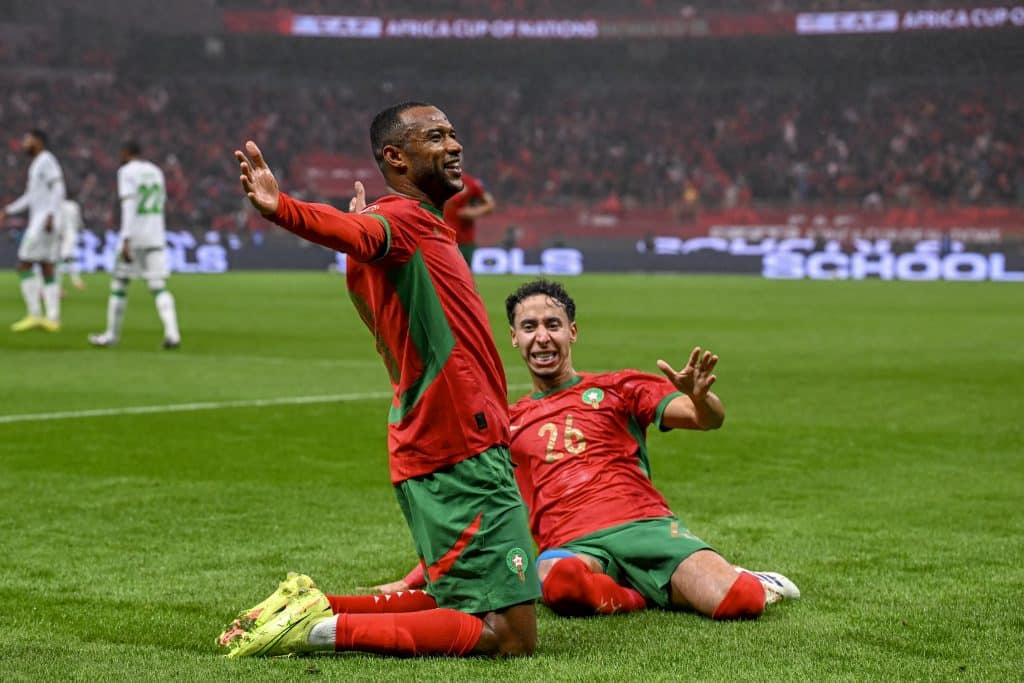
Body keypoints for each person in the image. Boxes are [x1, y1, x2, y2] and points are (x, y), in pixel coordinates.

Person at [220, 102, 539, 659]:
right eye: (436, 136)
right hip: (461, 441)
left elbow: (363, 253)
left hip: (437, 436)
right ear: (395, 156)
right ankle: (316, 632)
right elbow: (355, 231)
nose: (455, 145)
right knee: (509, 635)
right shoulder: (404, 221)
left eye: (454, 133)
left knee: (456, 600)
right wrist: (283, 209)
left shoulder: (411, 227)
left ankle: (316, 608)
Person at [376, 279, 800, 619]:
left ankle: (751, 580)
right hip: (573, 545)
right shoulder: (507, 422)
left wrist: (701, 397)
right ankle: (643, 595)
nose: (542, 338)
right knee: (558, 583)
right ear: (513, 339)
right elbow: (481, 510)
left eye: (553, 325)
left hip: (645, 525)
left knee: (740, 602)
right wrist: (416, 578)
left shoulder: (619, 388)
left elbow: (706, 419)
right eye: (529, 328)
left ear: (572, 332)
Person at [88, 142, 181, 349]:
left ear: (126, 153)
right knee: (158, 286)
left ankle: (111, 336)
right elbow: (162, 202)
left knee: (119, 284)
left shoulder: (126, 172)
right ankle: (173, 333)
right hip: (156, 235)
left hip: (134, 236)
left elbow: (129, 205)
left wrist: (126, 239)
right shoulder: (156, 171)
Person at [1, 129, 65, 332]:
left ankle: (34, 314)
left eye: (27, 139)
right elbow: (30, 197)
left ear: (38, 141)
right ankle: (52, 319)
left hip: (43, 220)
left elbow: (59, 187)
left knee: (24, 264)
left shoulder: (46, 160)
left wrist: (51, 215)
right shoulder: (37, 163)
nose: (24, 143)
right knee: (46, 266)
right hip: (43, 218)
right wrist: (8, 211)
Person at [442, 171, 494, 265]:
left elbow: (490, 205)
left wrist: (474, 212)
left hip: (464, 241)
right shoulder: (434, 181)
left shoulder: (471, 183)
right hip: (440, 238)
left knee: (463, 277)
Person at [57, 197, 86, 292]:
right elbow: (78, 221)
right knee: (66, 259)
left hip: (61, 235)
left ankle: (74, 281)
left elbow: (59, 220)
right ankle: (60, 286)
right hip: (71, 235)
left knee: (65, 259)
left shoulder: (60, 205)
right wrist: (81, 228)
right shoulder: (74, 205)